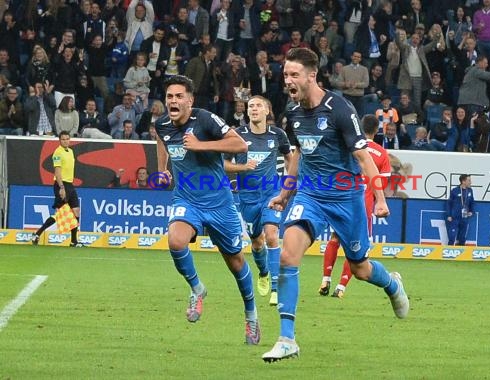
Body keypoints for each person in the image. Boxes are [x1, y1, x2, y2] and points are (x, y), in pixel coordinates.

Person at [262, 48, 409, 362]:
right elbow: (299, 156)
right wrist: (286, 194)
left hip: (347, 198)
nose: (287, 80)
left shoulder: (340, 108)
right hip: (311, 196)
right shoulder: (294, 112)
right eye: (285, 74)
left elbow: (363, 157)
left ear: (311, 76)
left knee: (360, 268)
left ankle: (392, 285)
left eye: (293, 75)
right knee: (288, 256)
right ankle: (287, 339)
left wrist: (380, 199)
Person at [154, 75, 260, 345]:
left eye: (179, 96)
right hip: (186, 199)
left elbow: (240, 145)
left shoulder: (205, 120)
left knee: (235, 263)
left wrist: (202, 145)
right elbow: (160, 140)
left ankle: (251, 316)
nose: (173, 101)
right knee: (176, 241)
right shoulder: (162, 124)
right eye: (169, 96)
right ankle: (197, 289)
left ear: (190, 101)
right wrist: (162, 169)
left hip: (220, 204)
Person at [224, 95, 292, 306]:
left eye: (257, 106)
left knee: (272, 236)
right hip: (247, 197)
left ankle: (274, 287)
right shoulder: (237, 135)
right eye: (250, 106)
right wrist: (243, 168)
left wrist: (287, 188)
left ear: (267, 110)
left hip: (271, 194)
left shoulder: (278, 135)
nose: (253, 109)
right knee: (256, 241)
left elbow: (291, 160)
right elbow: (223, 164)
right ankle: (263, 272)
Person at [319, 114, 392, 299]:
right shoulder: (382, 154)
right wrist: (379, 202)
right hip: (363, 207)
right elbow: (381, 184)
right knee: (356, 248)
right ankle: (341, 287)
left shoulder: (349, 146)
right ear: (377, 130)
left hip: (343, 201)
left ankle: (325, 278)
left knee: (335, 239)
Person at [32, 131, 82, 247]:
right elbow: (57, 171)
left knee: (76, 211)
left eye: (67, 139)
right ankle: (37, 234)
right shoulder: (57, 153)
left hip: (70, 184)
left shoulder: (70, 151)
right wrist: (61, 187)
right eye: (63, 139)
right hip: (62, 184)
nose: (66, 141)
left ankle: (74, 241)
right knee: (59, 214)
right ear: (60, 140)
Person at [445, 174, 475, 246]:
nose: (470, 182)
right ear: (463, 181)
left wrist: (471, 211)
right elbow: (449, 203)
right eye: (469, 180)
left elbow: (472, 202)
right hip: (454, 217)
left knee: (462, 238)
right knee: (452, 237)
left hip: (464, 217)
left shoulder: (470, 190)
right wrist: (449, 215)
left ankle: (461, 254)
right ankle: (449, 253)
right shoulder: (455, 190)